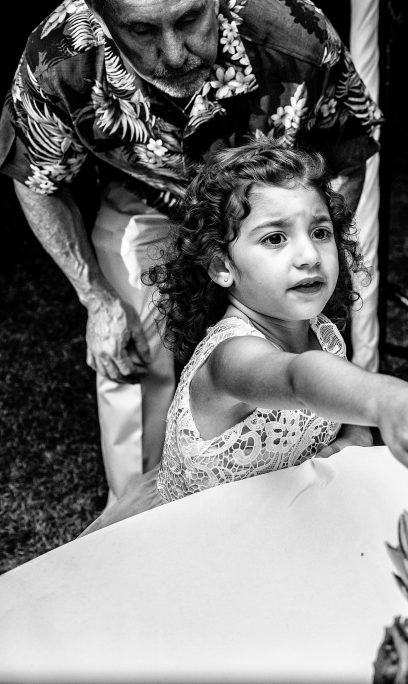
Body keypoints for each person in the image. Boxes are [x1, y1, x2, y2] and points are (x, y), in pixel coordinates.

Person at [0, 0, 383, 513]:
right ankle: (136, 517)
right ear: (100, 15)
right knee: (132, 348)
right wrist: (98, 301)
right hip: (146, 196)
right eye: (142, 30)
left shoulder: (294, 32)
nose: (175, 53)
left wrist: (308, 248)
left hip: (273, 202)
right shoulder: (60, 55)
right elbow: (36, 178)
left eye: (188, 19)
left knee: (300, 328)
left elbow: (347, 156)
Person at [80, 136, 408, 535]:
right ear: (222, 266)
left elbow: (341, 414)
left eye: (320, 232)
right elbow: (300, 378)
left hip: (282, 522)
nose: (309, 256)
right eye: (275, 238)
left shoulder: (321, 330)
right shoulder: (232, 358)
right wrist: (388, 401)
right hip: (207, 538)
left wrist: (352, 439)